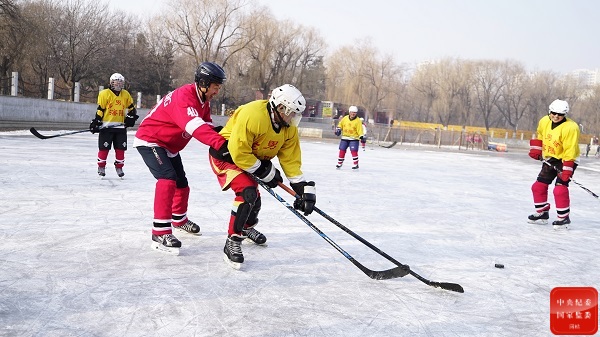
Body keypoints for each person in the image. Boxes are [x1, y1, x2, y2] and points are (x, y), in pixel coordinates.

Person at [208, 84, 317, 269]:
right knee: (247, 193)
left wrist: (301, 187)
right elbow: (238, 152)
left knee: (254, 202)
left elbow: (290, 159)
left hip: (250, 158)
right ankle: (232, 241)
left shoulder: (287, 127)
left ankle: (247, 227)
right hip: (227, 157)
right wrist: (264, 171)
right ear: (280, 107)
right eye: (291, 112)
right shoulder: (253, 115)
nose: (293, 118)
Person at [133, 62, 228, 255]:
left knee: (182, 184)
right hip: (151, 140)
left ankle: (179, 219)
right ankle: (159, 232)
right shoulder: (184, 97)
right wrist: (221, 145)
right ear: (203, 83)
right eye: (215, 86)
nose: (217, 91)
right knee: (167, 179)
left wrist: (226, 136)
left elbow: (206, 124)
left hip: (169, 146)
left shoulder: (203, 101)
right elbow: (196, 128)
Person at [527, 99, 580, 229]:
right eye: (554, 113)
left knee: (559, 189)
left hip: (567, 159)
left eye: (560, 114)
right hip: (551, 157)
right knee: (538, 187)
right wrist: (536, 150)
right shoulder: (544, 121)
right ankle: (542, 212)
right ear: (549, 111)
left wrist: (567, 169)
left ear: (565, 115)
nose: (556, 116)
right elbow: (540, 134)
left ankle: (563, 218)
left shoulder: (571, 128)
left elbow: (570, 149)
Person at [89, 73, 138, 178]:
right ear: (111, 82)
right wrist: (96, 121)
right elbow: (100, 109)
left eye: (120, 82)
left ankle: (119, 166)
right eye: (116, 81)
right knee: (104, 148)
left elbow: (132, 109)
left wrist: (131, 117)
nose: (118, 84)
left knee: (121, 149)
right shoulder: (104, 94)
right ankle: (101, 166)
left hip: (120, 127)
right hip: (107, 127)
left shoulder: (125, 94)